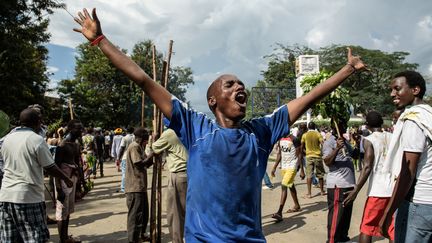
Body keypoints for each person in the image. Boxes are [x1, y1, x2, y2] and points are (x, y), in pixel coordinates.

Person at [73, 8, 366, 241]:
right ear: (212, 100)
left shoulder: (261, 132)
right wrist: (100, 41)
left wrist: (347, 70)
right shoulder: (195, 127)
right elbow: (143, 79)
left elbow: (309, 97)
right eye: (230, 84)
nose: (240, 86)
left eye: (241, 83)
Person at [0, 108, 73, 242]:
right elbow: (50, 167)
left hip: (6, 197)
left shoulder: (7, 139)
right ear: (38, 122)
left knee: (9, 239)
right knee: (35, 238)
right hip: (28, 196)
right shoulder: (36, 140)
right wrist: (67, 179)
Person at [379, 71, 432, 243]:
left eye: (397, 89)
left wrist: (387, 213)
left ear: (415, 90)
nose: (392, 94)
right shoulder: (428, 115)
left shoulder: (414, 120)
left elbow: (408, 171)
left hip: (419, 203)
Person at [343, 111, 394, 243]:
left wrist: (356, 190)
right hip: (394, 190)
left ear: (367, 125)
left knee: (367, 228)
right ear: (382, 122)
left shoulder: (369, 140)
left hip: (378, 191)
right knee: (391, 228)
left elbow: (367, 166)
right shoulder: (393, 136)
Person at [152, 126, 188, 243]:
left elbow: (155, 148)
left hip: (178, 174)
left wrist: (154, 137)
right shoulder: (187, 128)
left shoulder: (170, 133)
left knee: (175, 212)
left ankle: (177, 240)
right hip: (189, 173)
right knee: (186, 210)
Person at [322, 118, 356, 243]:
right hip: (337, 184)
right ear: (334, 126)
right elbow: (327, 161)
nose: (344, 127)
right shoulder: (329, 142)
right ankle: (332, 240)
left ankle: (343, 238)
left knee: (346, 216)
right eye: (341, 124)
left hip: (349, 184)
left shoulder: (345, 141)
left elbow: (355, 155)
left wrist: (357, 141)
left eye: (345, 124)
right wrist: (336, 148)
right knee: (336, 216)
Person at [54, 120, 84, 243]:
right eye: (78, 129)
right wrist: (59, 188)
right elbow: (56, 167)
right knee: (61, 212)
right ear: (70, 129)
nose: (81, 132)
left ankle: (66, 238)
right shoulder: (62, 145)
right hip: (63, 181)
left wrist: (80, 184)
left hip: (73, 180)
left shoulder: (76, 144)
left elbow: (77, 163)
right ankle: (62, 239)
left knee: (67, 211)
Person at [125, 128, 153, 243]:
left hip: (140, 187)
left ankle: (140, 235)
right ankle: (133, 239)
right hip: (134, 187)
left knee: (143, 214)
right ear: (141, 139)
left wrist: (152, 156)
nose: (146, 142)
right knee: (135, 216)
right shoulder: (134, 146)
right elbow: (139, 164)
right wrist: (152, 155)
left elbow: (147, 163)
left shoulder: (140, 147)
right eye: (146, 140)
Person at [271, 133, 305, 222]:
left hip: (292, 166)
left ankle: (279, 212)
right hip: (284, 166)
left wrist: (302, 170)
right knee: (290, 185)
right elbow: (279, 154)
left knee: (284, 185)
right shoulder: (280, 139)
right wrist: (274, 167)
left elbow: (299, 155)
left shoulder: (294, 139)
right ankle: (297, 205)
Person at [301, 121, 326, 198]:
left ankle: (309, 193)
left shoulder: (305, 135)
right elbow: (323, 143)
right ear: (315, 127)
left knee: (309, 175)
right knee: (320, 174)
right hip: (317, 156)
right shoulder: (318, 134)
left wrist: (306, 152)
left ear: (308, 127)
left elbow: (302, 147)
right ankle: (322, 191)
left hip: (309, 156)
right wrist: (322, 152)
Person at [118, 127, 135, 193]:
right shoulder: (135, 137)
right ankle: (132, 186)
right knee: (133, 172)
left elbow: (122, 148)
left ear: (126, 131)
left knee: (124, 173)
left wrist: (118, 158)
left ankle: (123, 188)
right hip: (134, 157)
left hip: (126, 157)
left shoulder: (124, 138)